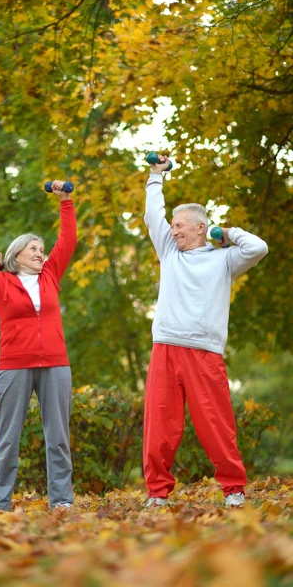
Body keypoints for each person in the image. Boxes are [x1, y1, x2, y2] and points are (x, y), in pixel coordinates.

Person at [143, 157, 268, 508]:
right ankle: (157, 493)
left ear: (201, 227)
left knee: (216, 425)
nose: (174, 230)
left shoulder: (224, 259)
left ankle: (234, 490)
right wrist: (156, 176)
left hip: (205, 353)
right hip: (165, 347)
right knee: (160, 426)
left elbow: (258, 248)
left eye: (181, 225)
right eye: (173, 225)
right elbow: (153, 215)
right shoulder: (169, 252)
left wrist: (227, 235)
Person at [0, 181, 77, 511]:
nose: (41, 253)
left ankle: (62, 502)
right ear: (16, 254)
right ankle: (0, 504)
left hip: (55, 364)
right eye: (33, 248)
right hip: (13, 366)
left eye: (42, 248)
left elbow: (68, 241)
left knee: (59, 439)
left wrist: (65, 202)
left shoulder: (50, 275)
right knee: (7, 439)